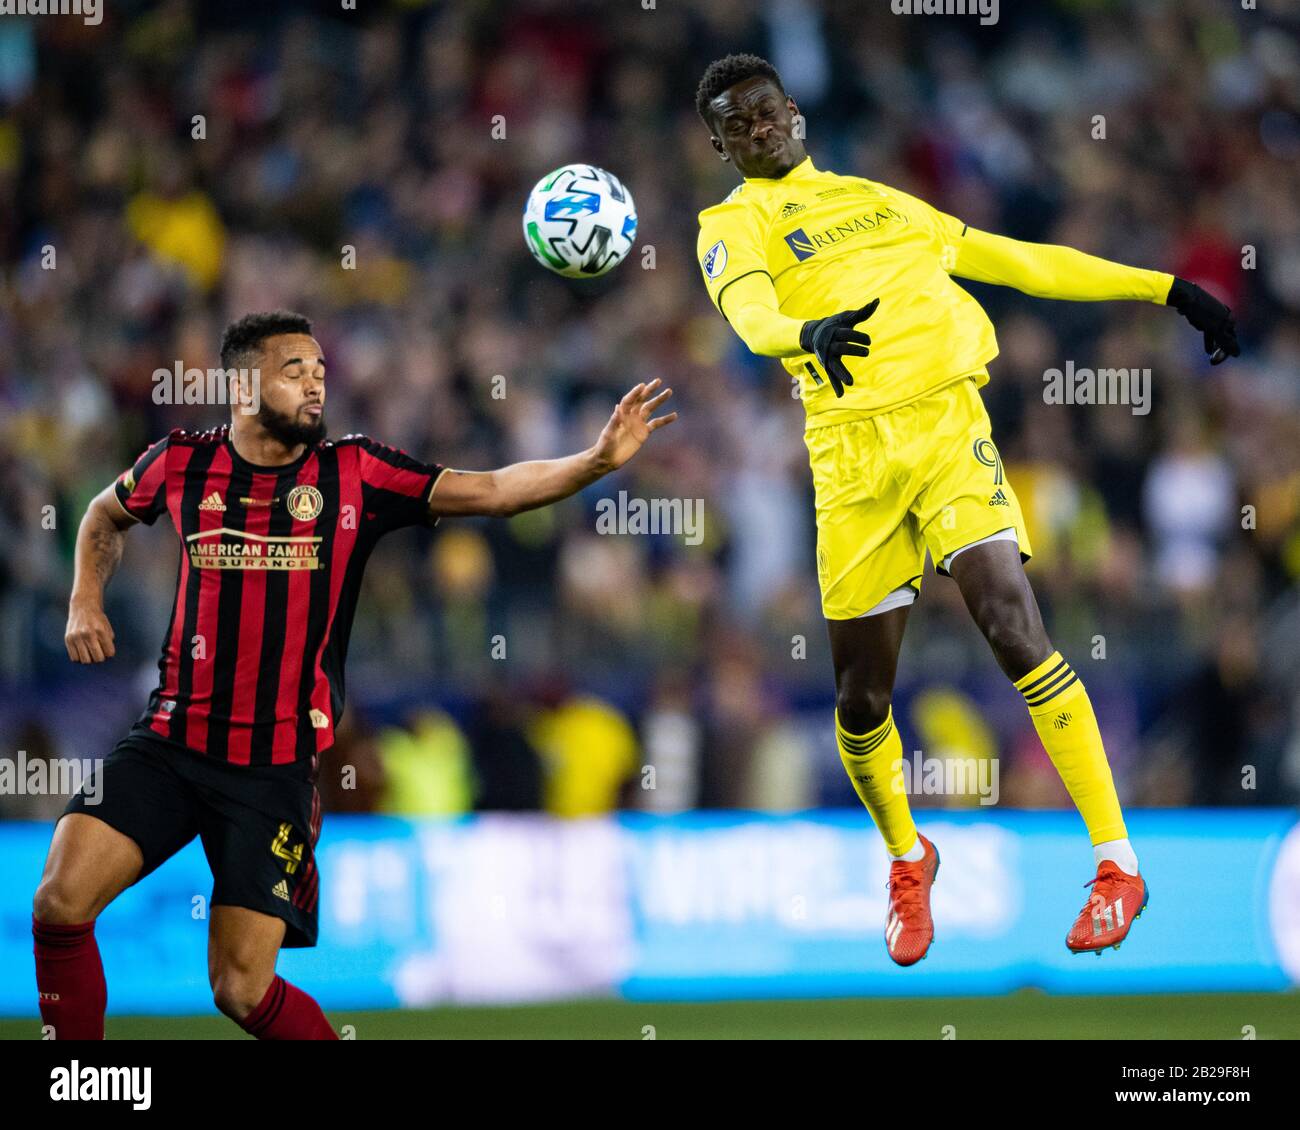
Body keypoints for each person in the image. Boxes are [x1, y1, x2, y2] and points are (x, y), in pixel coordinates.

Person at [693, 54, 1239, 965]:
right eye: (737, 127)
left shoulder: (887, 202)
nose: (759, 130)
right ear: (720, 147)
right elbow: (751, 320)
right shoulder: (729, 225)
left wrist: (1164, 288)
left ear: (793, 111)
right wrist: (807, 334)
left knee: (1014, 626)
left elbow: (1022, 263)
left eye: (766, 112)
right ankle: (909, 858)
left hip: (948, 427)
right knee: (862, 696)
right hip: (852, 461)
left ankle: (1116, 862)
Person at [37, 310, 675, 1038]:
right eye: (294, 371)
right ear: (244, 386)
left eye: (320, 372)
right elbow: (101, 515)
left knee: (240, 989)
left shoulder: (356, 472)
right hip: (170, 741)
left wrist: (592, 463)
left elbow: (494, 489)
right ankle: (75, 1085)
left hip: (270, 770)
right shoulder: (180, 462)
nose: (315, 385)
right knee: (59, 900)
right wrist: (84, 598)